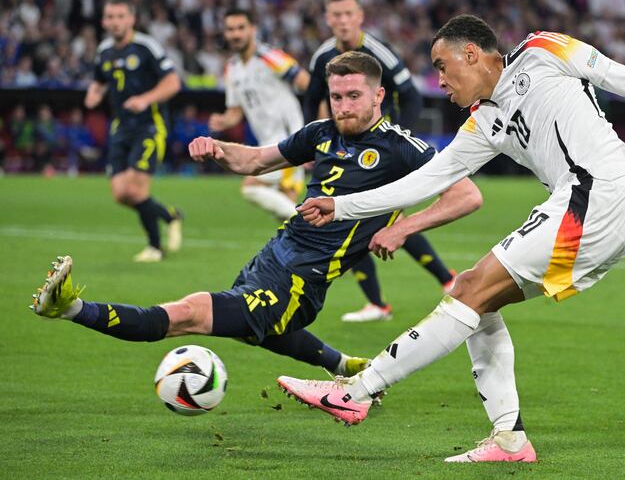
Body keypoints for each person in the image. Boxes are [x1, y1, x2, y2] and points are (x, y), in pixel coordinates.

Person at [276, 15, 625, 463]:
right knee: (476, 298)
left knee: (470, 291)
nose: (439, 81)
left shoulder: (543, 50)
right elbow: (428, 180)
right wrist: (343, 205)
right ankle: (509, 438)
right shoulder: (482, 121)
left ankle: (355, 391)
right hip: (596, 208)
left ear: (471, 53)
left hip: (599, 194)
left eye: (442, 67)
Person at [30, 51, 482, 386]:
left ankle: (69, 308)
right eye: (335, 96)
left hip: (300, 283)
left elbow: (466, 195)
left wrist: (402, 228)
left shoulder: (401, 148)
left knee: (187, 314)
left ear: (379, 95)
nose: (342, 105)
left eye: (353, 96)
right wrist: (218, 148)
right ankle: (344, 366)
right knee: (256, 332)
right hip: (272, 256)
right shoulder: (320, 133)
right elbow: (256, 161)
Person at [306, 0, 457, 322]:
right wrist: (312, 144)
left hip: (378, 150)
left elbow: (411, 95)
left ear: (360, 17)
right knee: (364, 217)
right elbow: (311, 98)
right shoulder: (322, 57)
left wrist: (395, 139)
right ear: (328, 19)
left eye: (348, 14)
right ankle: (440, 282)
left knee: (366, 216)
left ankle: (404, 294)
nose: (343, 21)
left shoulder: (379, 52)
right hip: (344, 149)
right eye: (336, 15)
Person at [84, 0, 183, 263]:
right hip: (121, 127)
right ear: (103, 21)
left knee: (136, 191)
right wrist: (94, 93)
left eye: (120, 16)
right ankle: (170, 215)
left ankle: (155, 247)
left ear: (131, 19)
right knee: (121, 194)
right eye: (110, 17)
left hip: (150, 126)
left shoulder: (146, 47)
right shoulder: (104, 51)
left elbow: (173, 83)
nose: (115, 22)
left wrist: (145, 99)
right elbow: (99, 81)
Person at [208, 9, 310, 221]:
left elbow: (307, 83)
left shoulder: (270, 57)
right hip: (266, 143)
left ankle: (313, 227)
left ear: (252, 29)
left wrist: (312, 130)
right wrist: (223, 121)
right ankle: (309, 230)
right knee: (285, 214)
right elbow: (235, 112)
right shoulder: (232, 68)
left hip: (287, 139)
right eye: (230, 29)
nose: (236, 34)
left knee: (251, 188)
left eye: (241, 28)